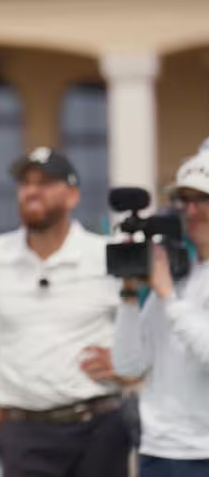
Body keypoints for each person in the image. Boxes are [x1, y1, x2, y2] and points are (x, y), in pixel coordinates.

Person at [0, 147, 135, 477]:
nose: (32, 191)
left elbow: (145, 324)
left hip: (99, 426)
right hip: (24, 431)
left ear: (73, 195)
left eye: (46, 182)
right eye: (25, 183)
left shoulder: (107, 256)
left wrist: (127, 363)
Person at [112, 151, 209, 476]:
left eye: (203, 200)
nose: (192, 211)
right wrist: (128, 292)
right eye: (185, 200)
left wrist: (167, 295)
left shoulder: (170, 286)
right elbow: (129, 366)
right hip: (157, 450)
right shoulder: (177, 276)